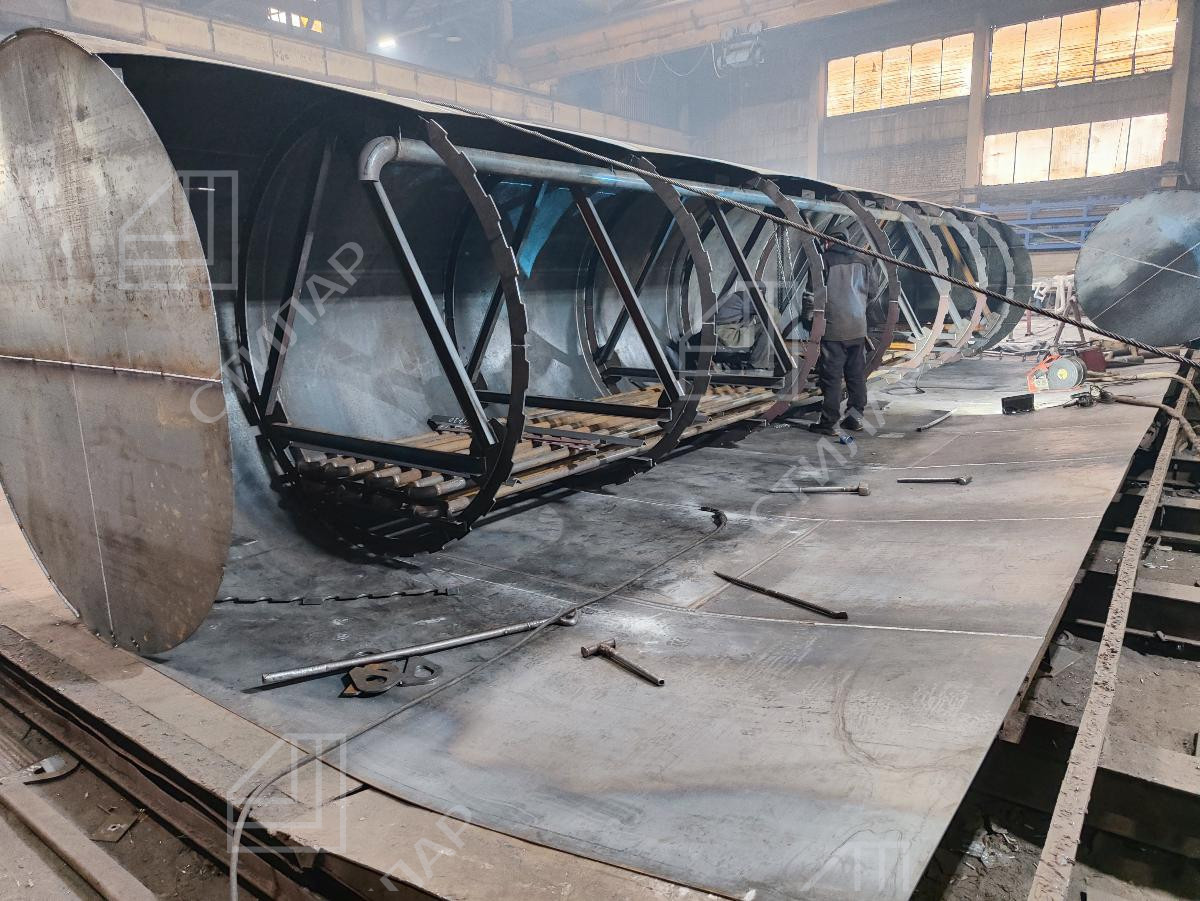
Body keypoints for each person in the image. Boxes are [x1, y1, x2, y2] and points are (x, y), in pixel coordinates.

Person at [810, 227, 882, 435]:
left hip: (833, 328)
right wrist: (858, 310)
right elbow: (873, 292)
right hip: (858, 328)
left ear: (827, 241)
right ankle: (854, 419)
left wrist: (810, 323)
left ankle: (829, 423)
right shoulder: (864, 260)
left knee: (832, 378)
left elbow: (812, 296)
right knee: (856, 376)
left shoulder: (823, 261)